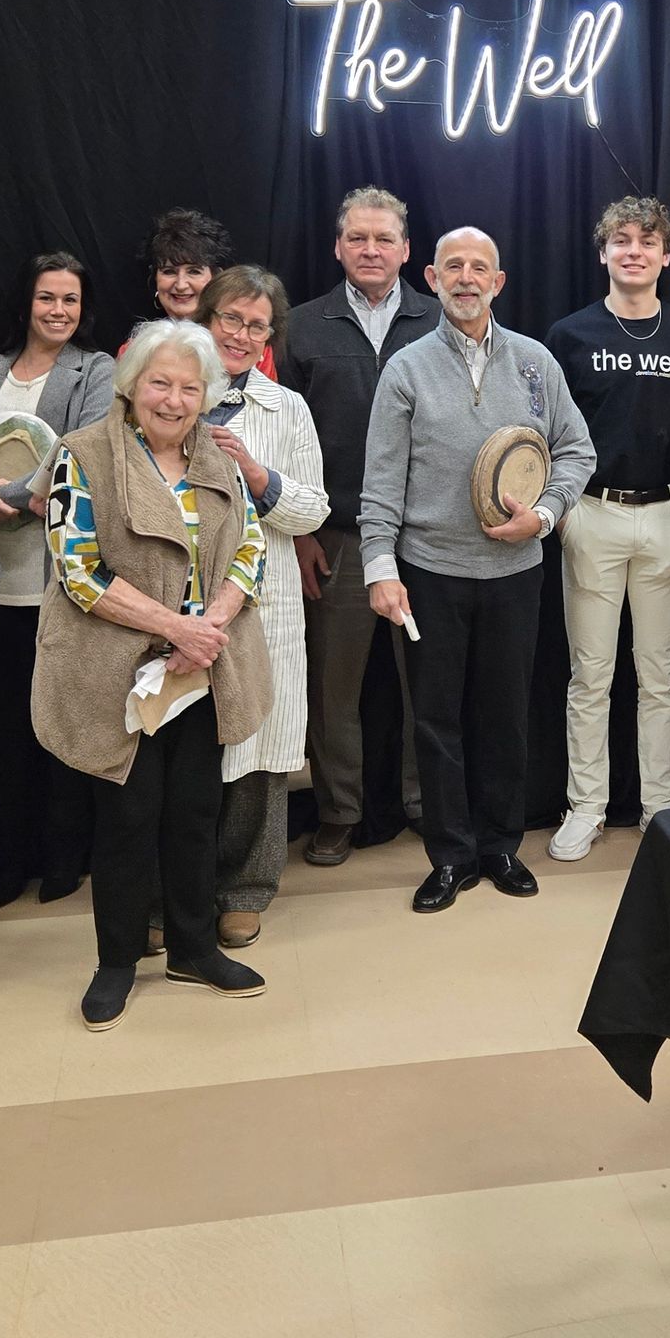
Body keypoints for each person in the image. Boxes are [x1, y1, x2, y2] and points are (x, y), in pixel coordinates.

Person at [33, 320, 274, 1032]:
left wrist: (210, 630)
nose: (173, 399)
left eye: (189, 387)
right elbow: (77, 570)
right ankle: (116, 961)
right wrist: (176, 629)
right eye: (160, 383)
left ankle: (194, 948)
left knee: (198, 810)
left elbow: (250, 546)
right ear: (131, 385)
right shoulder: (82, 456)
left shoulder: (218, 459)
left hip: (201, 670)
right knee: (128, 818)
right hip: (123, 670)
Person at [360, 227, 596, 913]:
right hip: (430, 571)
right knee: (435, 720)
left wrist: (544, 516)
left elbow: (577, 452)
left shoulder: (535, 363)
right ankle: (451, 856)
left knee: (505, 716)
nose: (467, 278)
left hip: (515, 573)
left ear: (499, 282)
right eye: (454, 266)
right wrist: (381, 567)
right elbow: (381, 483)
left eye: (480, 268)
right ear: (431, 278)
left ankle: (499, 846)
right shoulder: (404, 369)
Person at [542, 197, 670, 862]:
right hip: (592, 510)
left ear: (666, 256)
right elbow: (549, 432)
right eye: (621, 240)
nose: (634, 250)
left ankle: (659, 810)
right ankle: (584, 806)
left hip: (668, 515)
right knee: (590, 675)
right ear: (604, 252)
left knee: (660, 675)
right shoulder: (570, 334)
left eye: (647, 241)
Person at [0, 252, 115, 907]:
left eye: (70, 300)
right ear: (26, 304)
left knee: (61, 721)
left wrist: (7, 494)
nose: (58, 311)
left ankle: (64, 853)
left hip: (58, 581)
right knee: (0, 727)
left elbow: (83, 453)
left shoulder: (95, 371)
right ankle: (10, 850)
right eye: (47, 298)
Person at [280, 187, 440, 864]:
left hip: (425, 538)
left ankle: (423, 801)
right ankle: (339, 810)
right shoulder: (300, 326)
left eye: (384, 240)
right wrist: (303, 532)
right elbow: (283, 434)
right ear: (338, 246)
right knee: (332, 687)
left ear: (407, 251)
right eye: (358, 239)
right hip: (335, 536)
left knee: (426, 683)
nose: (370, 250)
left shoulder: (441, 321)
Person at [196, 266, 330, 950]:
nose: (243, 335)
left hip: (264, 602)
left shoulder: (288, 410)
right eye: (231, 319)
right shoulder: (167, 395)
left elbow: (314, 506)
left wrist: (258, 475)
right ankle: (180, 891)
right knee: (185, 749)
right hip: (181, 607)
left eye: (257, 325)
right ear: (204, 318)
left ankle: (246, 888)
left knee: (260, 747)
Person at [137, 206, 275, 382]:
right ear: (154, 278)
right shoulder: (137, 349)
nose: (180, 285)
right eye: (169, 271)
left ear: (216, 276)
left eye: (194, 271)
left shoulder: (248, 345)